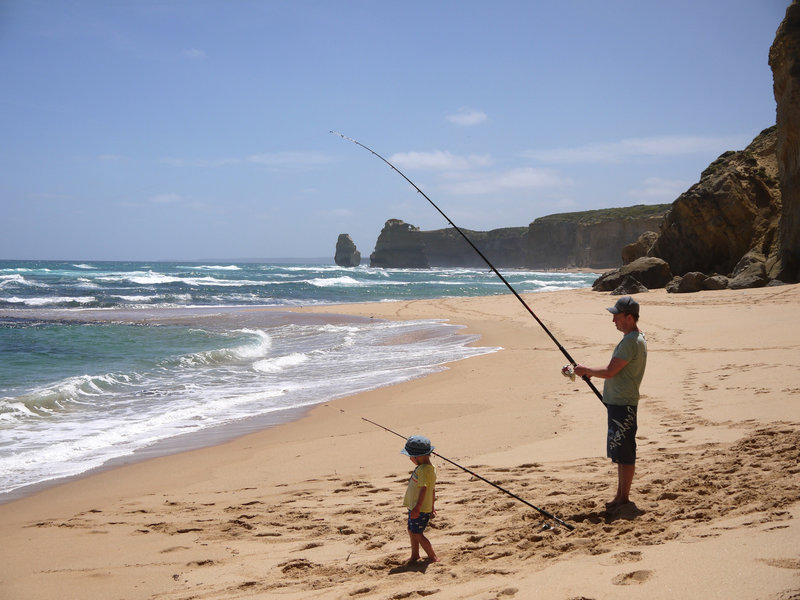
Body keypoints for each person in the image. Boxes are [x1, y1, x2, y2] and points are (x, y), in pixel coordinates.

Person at [573, 295, 647, 511]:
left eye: (617, 316)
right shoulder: (635, 338)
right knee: (621, 451)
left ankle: (623, 497)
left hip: (623, 403)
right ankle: (620, 495)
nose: (613, 320)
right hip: (620, 401)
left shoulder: (632, 342)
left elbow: (609, 371)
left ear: (629, 316)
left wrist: (586, 370)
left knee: (624, 451)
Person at [401, 435, 439, 563]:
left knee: (417, 533)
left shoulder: (424, 470)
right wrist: (432, 506)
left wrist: (417, 508)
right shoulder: (430, 468)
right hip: (417, 507)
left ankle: (432, 556)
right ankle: (415, 555)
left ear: (419, 457)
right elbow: (432, 489)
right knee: (411, 530)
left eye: (411, 456)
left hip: (419, 508)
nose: (410, 459)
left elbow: (424, 490)